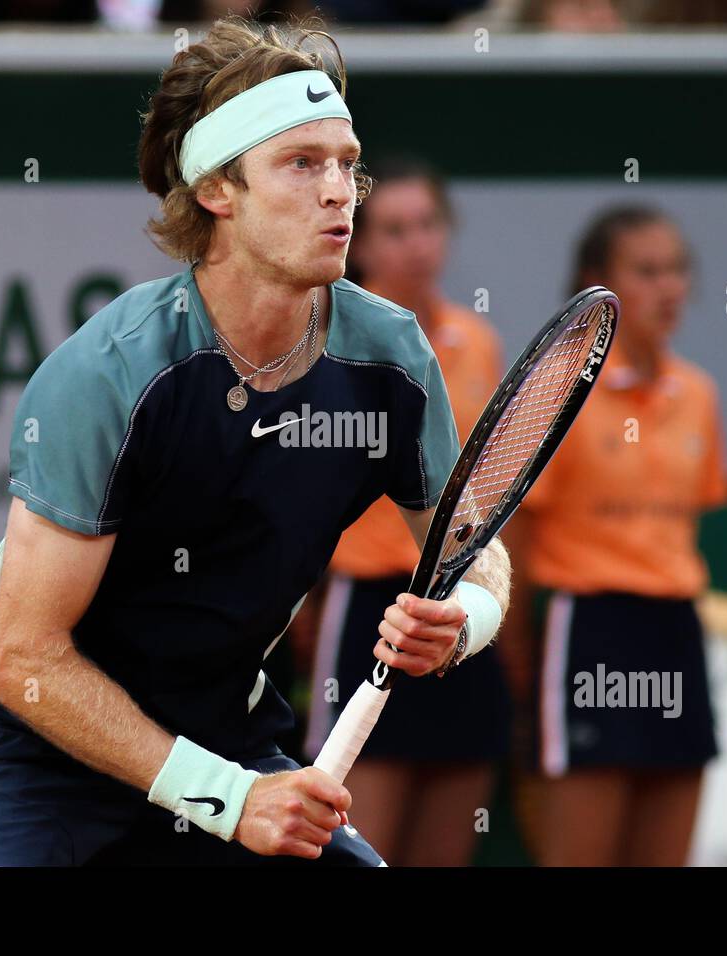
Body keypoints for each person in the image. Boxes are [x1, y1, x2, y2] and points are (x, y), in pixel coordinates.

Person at [0, 15, 512, 867]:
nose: (340, 191)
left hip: (224, 727)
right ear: (218, 191)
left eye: (347, 163)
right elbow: (23, 658)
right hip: (33, 750)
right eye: (302, 164)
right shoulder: (108, 376)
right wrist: (233, 802)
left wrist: (465, 619)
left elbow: (475, 551)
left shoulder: (392, 359)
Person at [502, 205, 727, 866]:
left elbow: (684, 527)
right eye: (647, 271)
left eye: (678, 270)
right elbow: (518, 533)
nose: (669, 288)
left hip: (677, 630)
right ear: (597, 281)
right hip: (590, 632)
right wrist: (515, 655)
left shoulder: (698, 394)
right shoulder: (556, 389)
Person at [300, 157, 511, 867]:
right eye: (393, 228)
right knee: (356, 845)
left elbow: (494, 502)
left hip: (459, 615)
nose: (414, 243)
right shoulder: (329, 339)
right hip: (368, 611)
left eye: (426, 225)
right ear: (360, 241)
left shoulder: (478, 343)